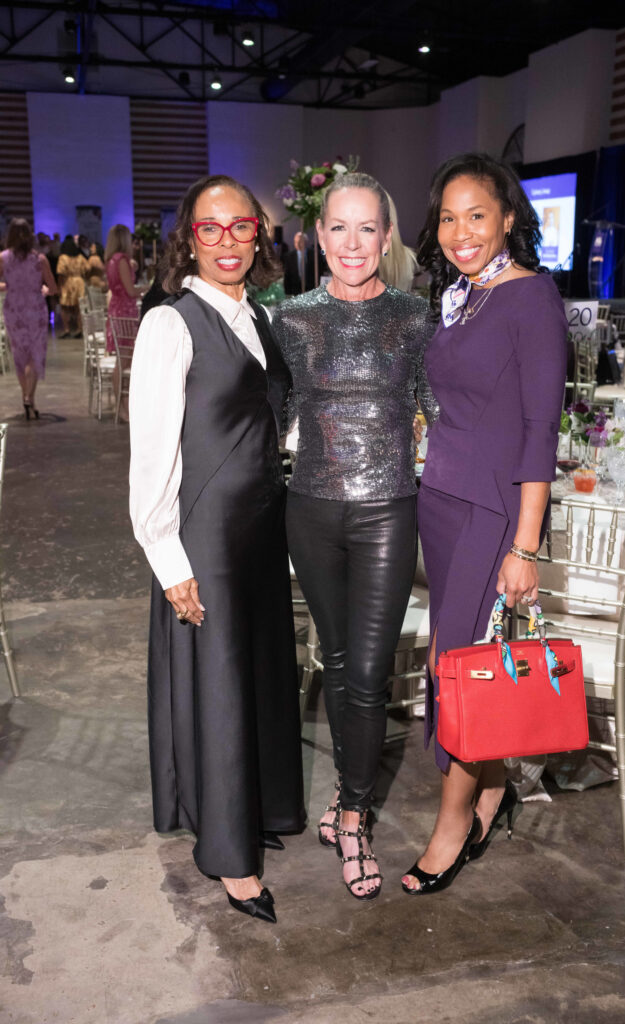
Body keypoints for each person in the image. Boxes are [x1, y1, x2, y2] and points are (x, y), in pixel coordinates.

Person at [129, 174, 304, 924]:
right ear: (188, 240)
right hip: (207, 535)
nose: (228, 241)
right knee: (224, 686)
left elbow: (270, 421)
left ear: (259, 236)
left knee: (259, 675)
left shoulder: (261, 318)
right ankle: (232, 860)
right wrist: (169, 559)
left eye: (242, 227)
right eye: (211, 228)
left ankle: (254, 808)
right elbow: (151, 455)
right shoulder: (170, 323)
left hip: (263, 528)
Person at [401, 153, 567, 895]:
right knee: (461, 660)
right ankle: (490, 789)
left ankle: (453, 825)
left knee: (458, 676)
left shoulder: (530, 297)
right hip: (441, 501)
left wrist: (525, 545)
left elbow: (541, 428)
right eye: (447, 217)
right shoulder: (462, 296)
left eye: (477, 215)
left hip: (492, 510)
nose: (460, 231)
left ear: (507, 218)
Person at [272, 172, 437, 901]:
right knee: (337, 664)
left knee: (368, 676)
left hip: (386, 512)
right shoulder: (291, 318)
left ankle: (352, 813)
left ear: (387, 237)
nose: (351, 243)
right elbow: (266, 418)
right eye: (338, 227)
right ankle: (347, 800)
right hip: (309, 511)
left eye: (367, 228)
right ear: (316, 236)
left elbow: (443, 410)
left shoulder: (414, 316)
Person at [0, 218, 58, 418]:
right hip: (35, 308)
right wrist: (42, 289)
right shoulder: (39, 259)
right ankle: (29, 398)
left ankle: (26, 396)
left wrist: (9, 286)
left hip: (14, 309)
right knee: (35, 353)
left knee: (20, 354)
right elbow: (53, 288)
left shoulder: (3, 258)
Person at [105, 224, 148, 423]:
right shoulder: (121, 260)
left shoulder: (112, 260)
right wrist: (147, 288)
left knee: (124, 360)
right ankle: (121, 407)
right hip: (124, 311)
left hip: (119, 308)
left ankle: (125, 404)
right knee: (123, 361)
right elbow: (130, 291)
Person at [56, 235, 87, 338]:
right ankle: (80, 328)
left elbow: (60, 273)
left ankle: (67, 329)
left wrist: (59, 286)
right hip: (79, 282)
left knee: (64, 307)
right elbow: (87, 269)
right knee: (79, 307)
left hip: (67, 282)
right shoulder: (80, 257)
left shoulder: (63, 258)